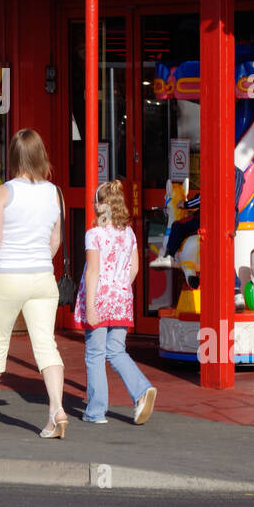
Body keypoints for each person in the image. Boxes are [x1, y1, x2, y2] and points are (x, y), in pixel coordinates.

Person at [0, 128, 68, 438]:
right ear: (40, 156)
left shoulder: (3, 192)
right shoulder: (55, 193)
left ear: (13, 157)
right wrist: (38, 261)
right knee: (47, 346)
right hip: (42, 278)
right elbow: (55, 239)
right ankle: (57, 411)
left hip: (8, 276)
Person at [76, 180, 157, 425]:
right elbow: (134, 267)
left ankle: (96, 411)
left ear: (102, 207)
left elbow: (93, 271)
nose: (92, 206)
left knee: (95, 354)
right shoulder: (128, 233)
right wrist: (120, 287)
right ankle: (142, 390)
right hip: (121, 298)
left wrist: (90, 306)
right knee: (116, 350)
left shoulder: (94, 234)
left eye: (94, 202)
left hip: (99, 298)